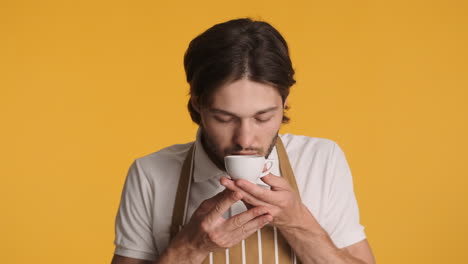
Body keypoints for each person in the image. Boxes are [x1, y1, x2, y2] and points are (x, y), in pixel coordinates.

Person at [111, 18, 376, 264]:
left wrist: (298, 223)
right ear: (198, 104)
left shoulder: (321, 160)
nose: (245, 140)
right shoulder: (150, 173)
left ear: (283, 105)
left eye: (263, 117)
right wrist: (190, 247)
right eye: (225, 118)